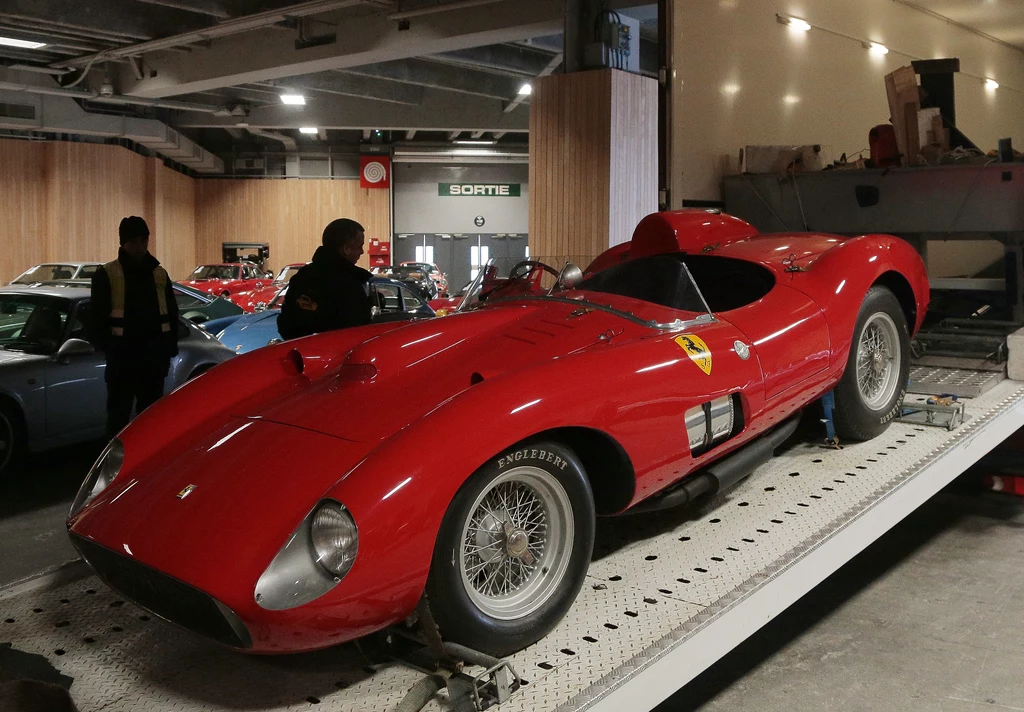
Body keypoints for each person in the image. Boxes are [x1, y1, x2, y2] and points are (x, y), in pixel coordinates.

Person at [91, 216, 179, 437]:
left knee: (150, 422)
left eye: (143, 240)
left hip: (152, 361)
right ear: (123, 243)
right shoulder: (107, 274)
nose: (139, 247)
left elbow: (171, 314)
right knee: (118, 423)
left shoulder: (159, 273)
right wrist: (112, 350)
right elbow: (96, 320)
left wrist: (166, 353)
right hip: (123, 362)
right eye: (133, 242)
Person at [278, 218, 374, 340]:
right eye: (360, 246)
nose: (362, 251)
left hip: (300, 352)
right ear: (346, 249)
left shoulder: (302, 276)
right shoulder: (352, 282)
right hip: (337, 353)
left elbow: (285, 322)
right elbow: (359, 326)